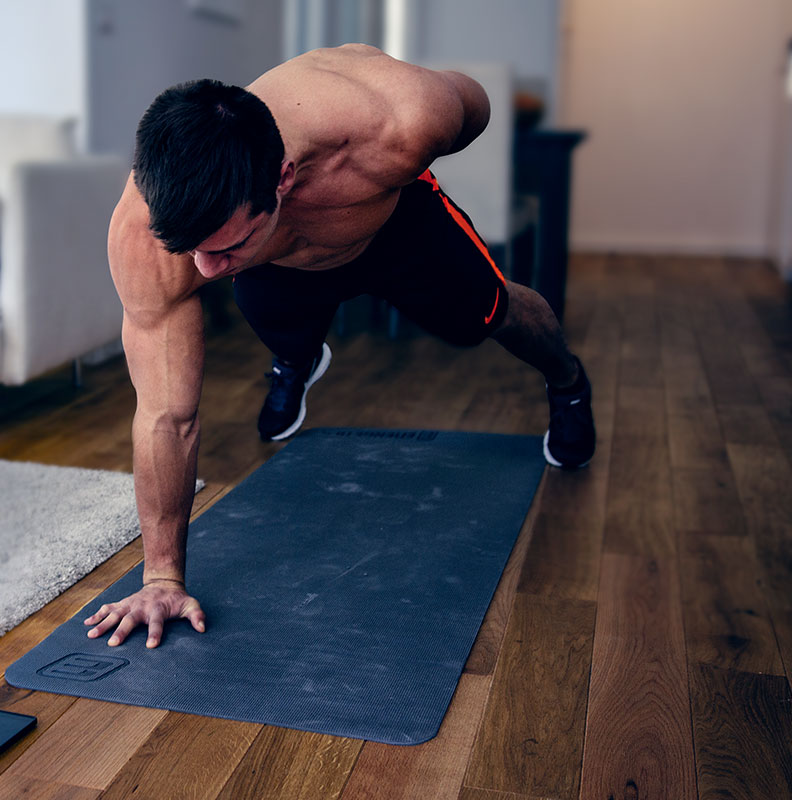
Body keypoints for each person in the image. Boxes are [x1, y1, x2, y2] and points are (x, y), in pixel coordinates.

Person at [86, 44, 595, 650]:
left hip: (394, 227)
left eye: (221, 248)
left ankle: (567, 382)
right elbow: (167, 415)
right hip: (276, 262)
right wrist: (162, 577)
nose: (203, 268)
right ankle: (296, 358)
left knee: (488, 313)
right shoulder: (149, 234)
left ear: (282, 179)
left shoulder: (400, 122)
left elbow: (475, 108)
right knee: (270, 313)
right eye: (191, 250)